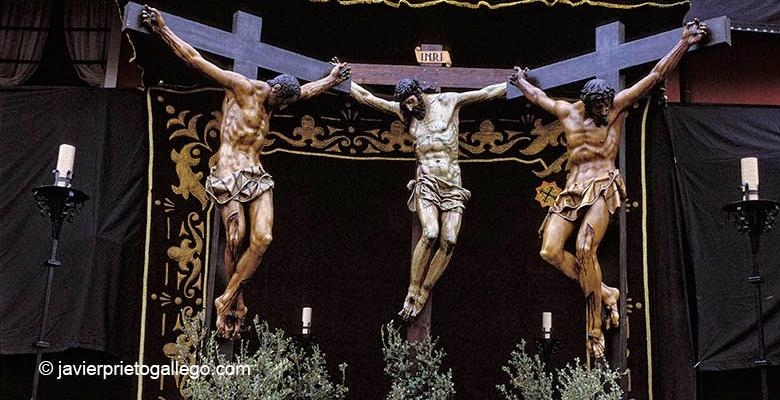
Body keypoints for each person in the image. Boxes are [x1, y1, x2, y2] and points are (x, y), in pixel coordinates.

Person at [142, 5, 351, 338]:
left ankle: (226, 297)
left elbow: (307, 91)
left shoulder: (277, 99)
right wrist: (162, 30)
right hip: (228, 171)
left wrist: (331, 79)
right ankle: (234, 303)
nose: (281, 110)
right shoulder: (242, 87)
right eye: (282, 104)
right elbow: (195, 59)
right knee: (236, 237)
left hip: (256, 173)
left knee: (263, 238)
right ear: (274, 91)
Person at [510, 19, 708, 358]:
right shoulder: (568, 113)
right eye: (600, 106)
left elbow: (655, 76)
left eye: (608, 104)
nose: (607, 109)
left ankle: (594, 329)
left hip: (604, 184)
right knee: (550, 251)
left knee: (585, 248)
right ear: (588, 103)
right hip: (573, 188)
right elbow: (539, 97)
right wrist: (521, 81)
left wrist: (684, 42)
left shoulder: (616, 106)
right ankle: (605, 292)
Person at [350, 78, 506, 320]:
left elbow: (486, 92)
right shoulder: (405, 113)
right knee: (431, 233)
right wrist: (340, 79)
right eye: (405, 104)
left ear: (419, 92)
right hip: (427, 181)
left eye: (411, 101)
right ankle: (413, 289)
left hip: (453, 183)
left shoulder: (448, 101)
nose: (409, 107)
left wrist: (519, 83)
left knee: (449, 240)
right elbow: (369, 98)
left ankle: (425, 290)